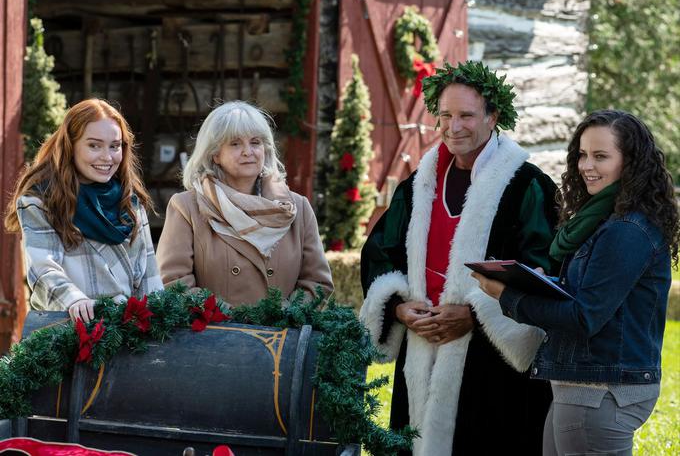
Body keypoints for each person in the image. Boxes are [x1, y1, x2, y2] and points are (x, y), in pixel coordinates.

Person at [360, 61, 558, 456]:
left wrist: (475, 315)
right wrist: (400, 308)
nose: (454, 126)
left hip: (493, 360)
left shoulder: (528, 187)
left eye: (466, 115)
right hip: (423, 344)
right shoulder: (418, 185)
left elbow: (543, 267)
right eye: (446, 115)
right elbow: (380, 252)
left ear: (493, 116)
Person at [474, 110, 678, 456]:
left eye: (601, 156)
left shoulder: (625, 230)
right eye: (582, 154)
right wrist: (539, 283)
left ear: (630, 163)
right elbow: (598, 293)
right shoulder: (602, 219)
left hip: (599, 391)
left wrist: (510, 297)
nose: (587, 166)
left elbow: (585, 317)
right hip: (585, 386)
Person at [157, 101, 333, 305]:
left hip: (281, 334)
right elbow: (174, 283)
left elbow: (317, 283)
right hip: (216, 333)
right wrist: (231, 320)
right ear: (215, 154)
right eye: (235, 143)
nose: (248, 151)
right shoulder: (186, 207)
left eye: (255, 142)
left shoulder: (297, 208)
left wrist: (283, 315)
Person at [4, 98, 163, 323]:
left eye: (114, 146)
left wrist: (157, 322)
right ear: (71, 145)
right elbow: (43, 269)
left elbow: (150, 279)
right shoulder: (40, 201)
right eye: (94, 145)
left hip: (126, 332)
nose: (107, 157)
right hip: (67, 326)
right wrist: (76, 301)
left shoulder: (129, 202)